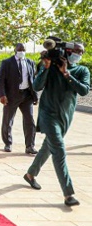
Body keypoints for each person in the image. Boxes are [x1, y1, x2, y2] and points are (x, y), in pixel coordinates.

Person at [23, 42, 89, 207]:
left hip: (65, 117)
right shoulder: (50, 67)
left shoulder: (82, 71)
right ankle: (68, 194)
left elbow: (84, 90)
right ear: (66, 52)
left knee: (48, 147)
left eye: (81, 52)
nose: (78, 54)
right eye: (75, 51)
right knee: (59, 150)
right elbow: (37, 86)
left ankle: (30, 174)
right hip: (48, 115)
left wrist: (66, 74)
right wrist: (46, 67)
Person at [0, 43, 38, 154]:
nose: (21, 51)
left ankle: (30, 146)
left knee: (29, 120)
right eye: (19, 49)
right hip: (11, 96)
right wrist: (2, 95)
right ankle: (8, 143)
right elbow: (1, 80)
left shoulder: (30, 62)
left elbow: (33, 80)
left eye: (23, 49)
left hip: (27, 96)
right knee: (8, 120)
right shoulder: (7, 63)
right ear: (15, 50)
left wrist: (35, 96)